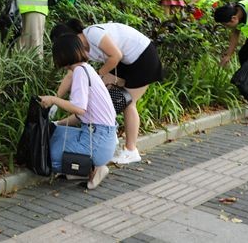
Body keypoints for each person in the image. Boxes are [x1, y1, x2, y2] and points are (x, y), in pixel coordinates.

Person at [50, 19, 163, 165]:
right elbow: (71, 74)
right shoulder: (80, 49)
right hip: (124, 61)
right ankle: (107, 133)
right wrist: (56, 99)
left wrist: (98, 75)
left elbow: (115, 55)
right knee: (99, 99)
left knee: (126, 102)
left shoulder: (93, 34)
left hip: (143, 58)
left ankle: (131, 150)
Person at [39, 34, 117, 189]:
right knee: (55, 134)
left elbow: (79, 109)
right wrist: (57, 123)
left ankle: (92, 168)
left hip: (97, 141)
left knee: (48, 157)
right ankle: (81, 168)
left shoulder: (80, 73)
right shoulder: (87, 69)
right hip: (102, 136)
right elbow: (84, 115)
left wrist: (54, 100)